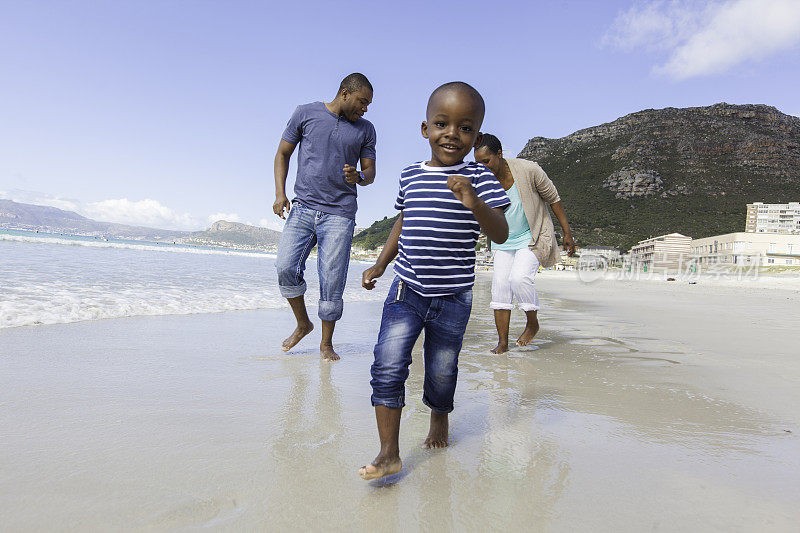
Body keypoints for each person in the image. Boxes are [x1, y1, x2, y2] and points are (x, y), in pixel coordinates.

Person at [358, 82, 510, 480]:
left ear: (476, 136)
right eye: (442, 123)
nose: (452, 134)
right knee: (388, 365)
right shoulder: (410, 176)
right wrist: (379, 265)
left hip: (452, 297)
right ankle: (388, 453)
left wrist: (474, 201)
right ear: (425, 128)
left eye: (465, 128)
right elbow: (402, 223)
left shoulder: (482, 178)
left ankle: (439, 417)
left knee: (441, 371)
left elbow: (502, 233)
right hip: (406, 290)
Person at [273, 73, 377, 361]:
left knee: (332, 280)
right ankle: (303, 323)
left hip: (340, 213)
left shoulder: (366, 130)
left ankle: (326, 343)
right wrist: (280, 194)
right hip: (303, 207)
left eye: (368, 104)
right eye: (362, 102)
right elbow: (283, 153)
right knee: (285, 267)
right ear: (345, 93)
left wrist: (360, 176)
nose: (365, 109)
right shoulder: (305, 113)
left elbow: (370, 172)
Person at [473, 134, 575, 355]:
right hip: (503, 241)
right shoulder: (482, 181)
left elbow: (554, 198)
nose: (482, 167)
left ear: (499, 155)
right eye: (478, 163)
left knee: (519, 278)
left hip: (532, 236)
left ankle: (532, 323)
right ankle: (503, 342)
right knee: (500, 287)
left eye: (486, 161)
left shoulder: (528, 170)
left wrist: (567, 233)